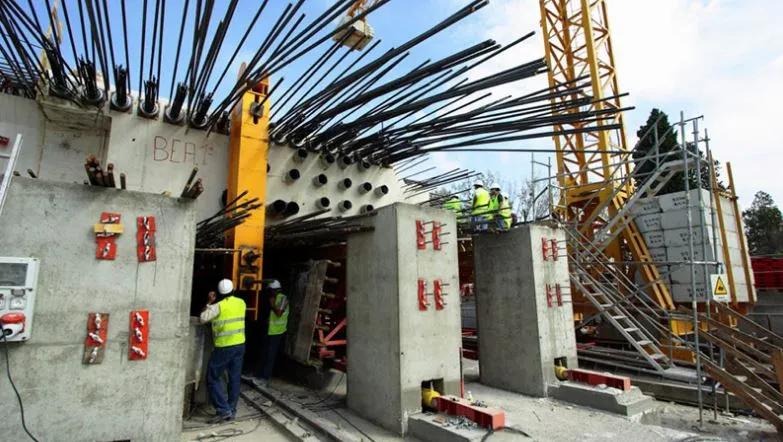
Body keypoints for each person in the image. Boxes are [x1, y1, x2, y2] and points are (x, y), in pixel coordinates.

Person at [200, 279, 246, 423]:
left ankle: (223, 410)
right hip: (240, 345)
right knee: (234, 378)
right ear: (233, 290)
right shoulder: (241, 303)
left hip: (224, 347)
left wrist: (209, 302)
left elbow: (202, 318)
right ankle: (232, 410)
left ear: (219, 293)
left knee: (213, 378)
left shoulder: (218, 307)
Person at [250, 280, 289, 388]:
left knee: (270, 357)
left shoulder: (283, 298)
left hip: (277, 332)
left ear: (273, 290)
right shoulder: (276, 298)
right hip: (270, 330)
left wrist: (272, 304)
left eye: (270, 290)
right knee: (264, 353)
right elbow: (273, 315)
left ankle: (265, 379)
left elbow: (279, 313)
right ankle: (257, 375)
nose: (269, 293)